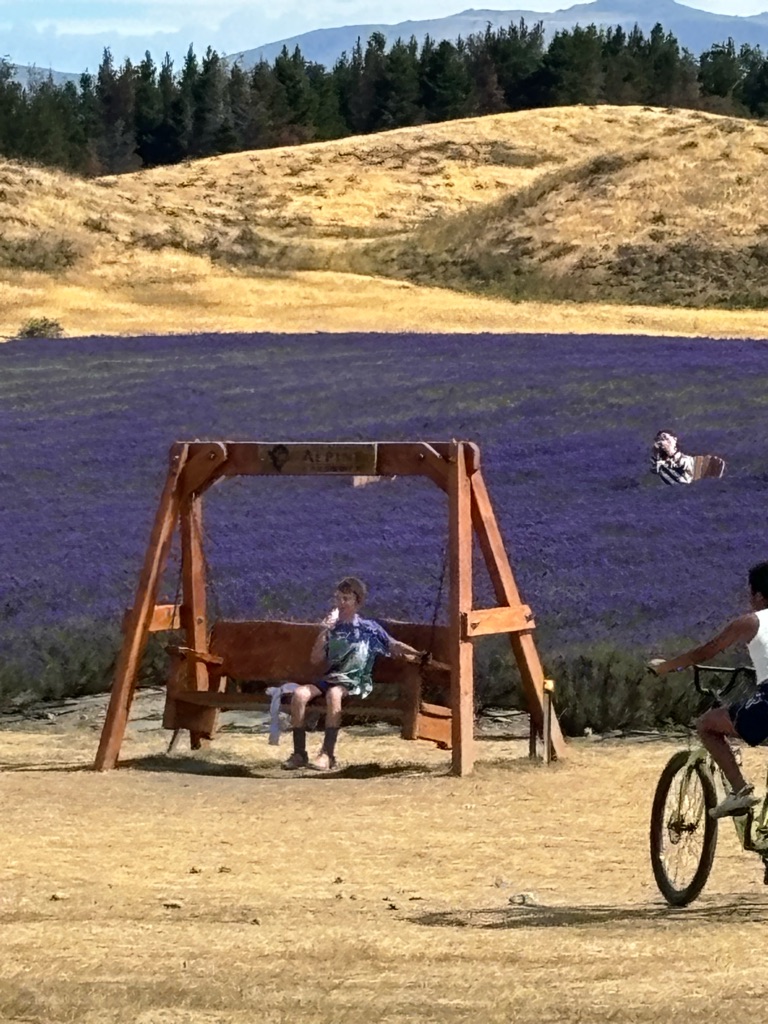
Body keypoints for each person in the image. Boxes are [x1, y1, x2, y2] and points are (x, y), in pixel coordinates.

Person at [649, 561, 768, 818]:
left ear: (758, 595)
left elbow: (705, 652)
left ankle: (740, 791)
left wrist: (666, 667)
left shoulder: (750, 622)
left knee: (706, 724)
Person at [282, 576, 429, 772]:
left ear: (357, 602)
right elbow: (315, 659)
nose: (341, 603)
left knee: (334, 694)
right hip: (331, 678)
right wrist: (324, 632)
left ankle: (327, 754)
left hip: (354, 682)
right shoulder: (332, 629)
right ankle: (299, 753)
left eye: (346, 599)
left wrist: (417, 654)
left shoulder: (368, 629)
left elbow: (393, 645)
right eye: (338, 598)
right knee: (300, 694)